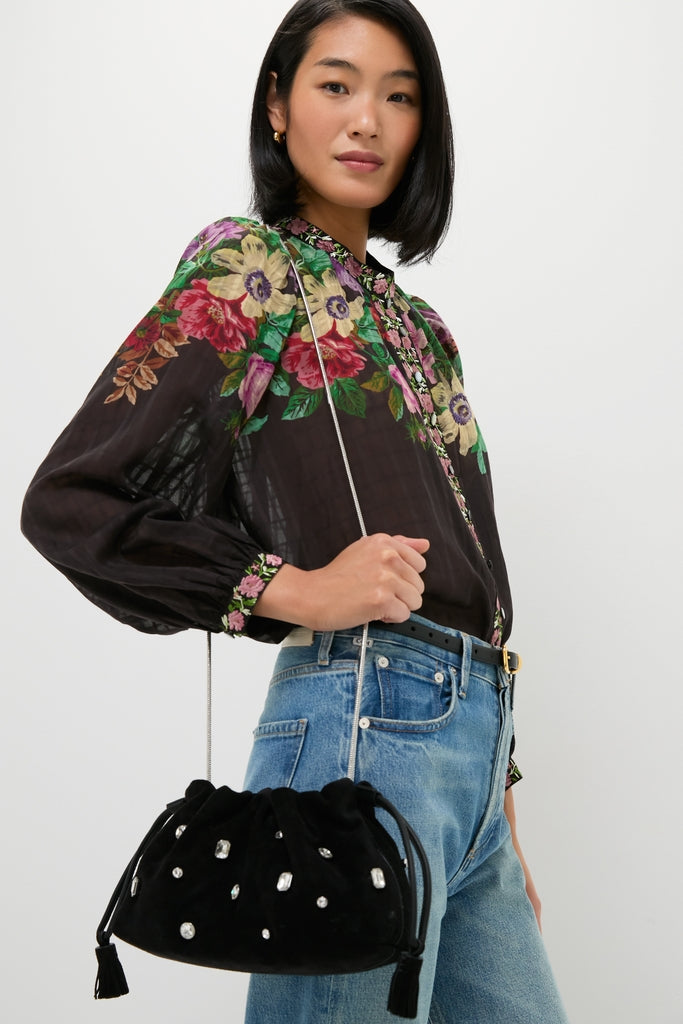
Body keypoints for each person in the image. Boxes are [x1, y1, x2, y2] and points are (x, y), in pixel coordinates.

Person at [21, 1, 569, 1021]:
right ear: (278, 107)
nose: (366, 119)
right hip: (361, 724)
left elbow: (470, 567)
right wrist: (292, 588)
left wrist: (491, 801)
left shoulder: (422, 327)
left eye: (398, 97)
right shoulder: (247, 271)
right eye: (335, 85)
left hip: (469, 754)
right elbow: (71, 500)